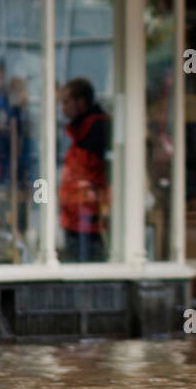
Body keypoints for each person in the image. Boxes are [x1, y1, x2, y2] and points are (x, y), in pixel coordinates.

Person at [58, 78, 111, 262]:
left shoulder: (97, 130)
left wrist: (104, 208)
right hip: (76, 216)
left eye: (65, 102)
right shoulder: (79, 131)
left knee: (86, 264)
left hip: (88, 217)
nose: (62, 108)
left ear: (80, 102)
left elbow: (105, 175)